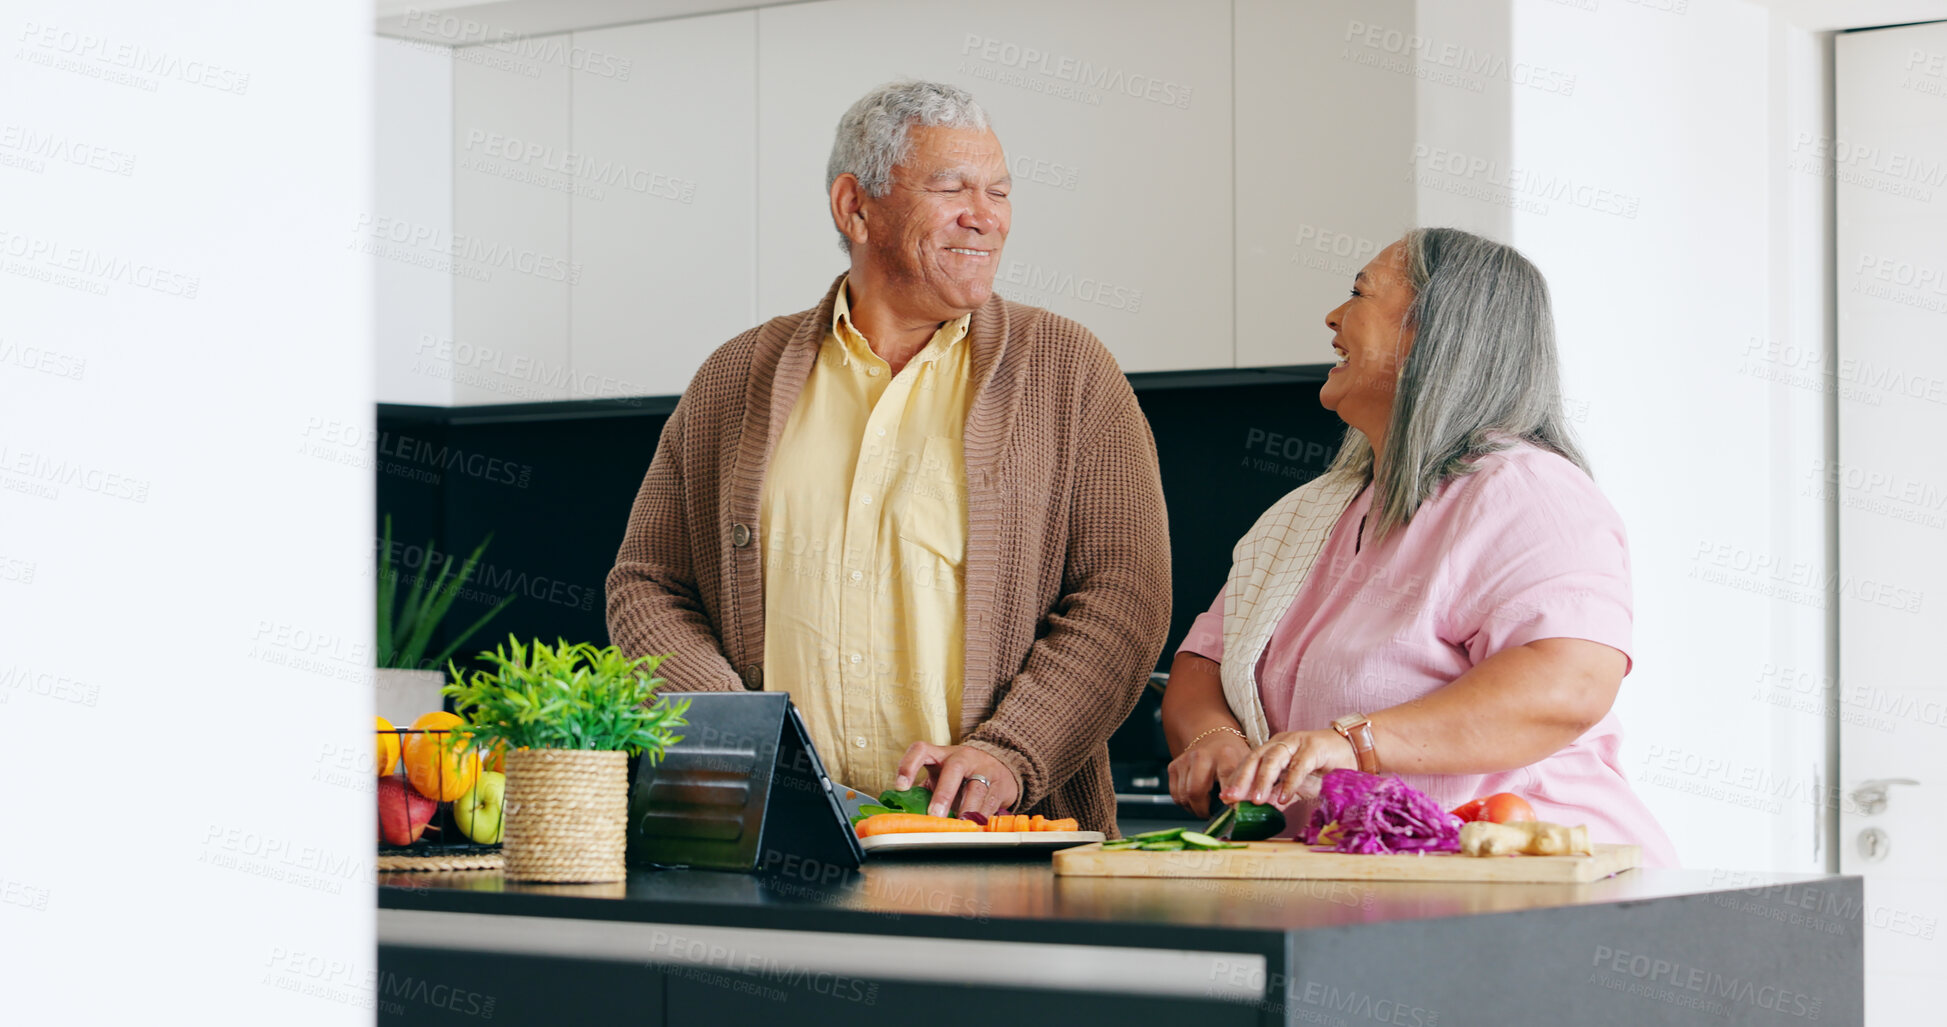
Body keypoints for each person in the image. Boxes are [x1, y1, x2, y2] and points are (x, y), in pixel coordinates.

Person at [606, 81, 1170, 834]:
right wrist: (735, 729)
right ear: (854, 206)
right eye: (952, 188)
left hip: (997, 847)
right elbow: (647, 582)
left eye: (998, 191)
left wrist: (1011, 751)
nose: (986, 215)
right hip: (774, 836)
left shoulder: (1068, 371)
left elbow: (1124, 593)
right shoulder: (735, 378)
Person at [1160, 227, 1677, 866]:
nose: (1332, 316)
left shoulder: (1529, 490)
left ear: (1432, 332)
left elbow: (1568, 685)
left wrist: (1355, 745)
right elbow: (1202, 662)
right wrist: (1215, 740)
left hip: (1538, 887)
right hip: (1367, 890)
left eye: (1358, 294)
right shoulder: (1305, 514)